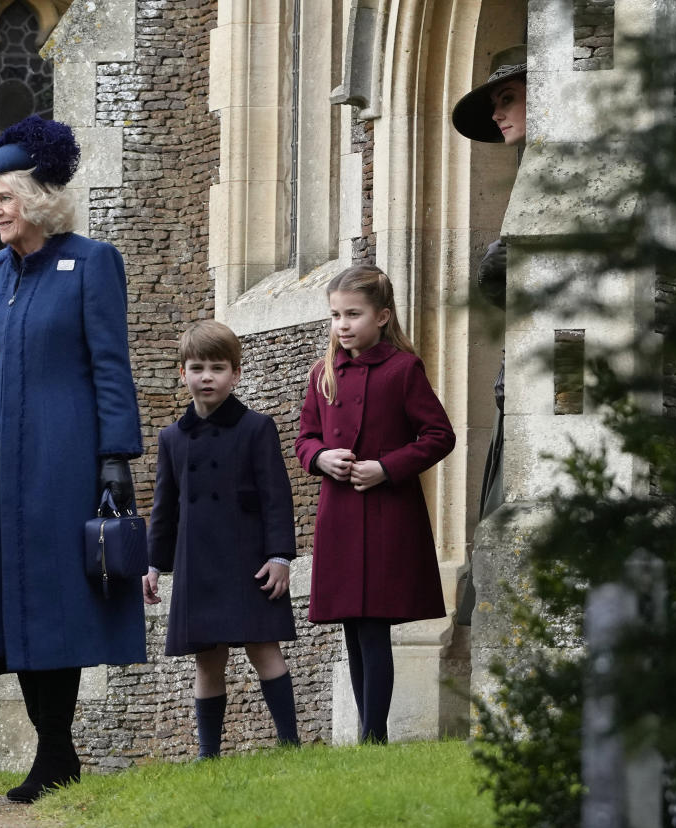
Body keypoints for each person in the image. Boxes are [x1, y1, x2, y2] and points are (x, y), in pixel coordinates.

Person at [0, 114, 145, 803]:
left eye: (5, 196)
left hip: (63, 461)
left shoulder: (90, 262)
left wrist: (114, 458)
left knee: (56, 604)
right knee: (9, 605)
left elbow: (111, 367)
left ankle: (55, 750)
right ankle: (56, 750)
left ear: (39, 197)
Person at [294, 265, 456, 744]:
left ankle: (373, 733)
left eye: (353, 314)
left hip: (388, 514)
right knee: (353, 622)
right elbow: (305, 438)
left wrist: (386, 467)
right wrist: (322, 458)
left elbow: (439, 435)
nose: (342, 325)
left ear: (382, 316)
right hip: (340, 514)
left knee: (374, 625)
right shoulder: (323, 373)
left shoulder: (404, 369)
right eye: (335, 315)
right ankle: (369, 734)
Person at [142, 320, 300, 758]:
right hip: (198, 563)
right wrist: (153, 565)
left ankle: (291, 746)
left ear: (236, 373)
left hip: (250, 559)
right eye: (197, 368)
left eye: (217, 367)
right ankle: (208, 756)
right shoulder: (172, 438)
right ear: (182, 374)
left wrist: (280, 556)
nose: (206, 377)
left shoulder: (257, 428)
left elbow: (276, 498)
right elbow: (163, 509)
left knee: (264, 649)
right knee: (207, 660)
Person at [450, 45, 527, 623]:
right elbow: (495, 279)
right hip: (517, 393)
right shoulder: (527, 179)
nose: (499, 113)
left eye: (508, 99)